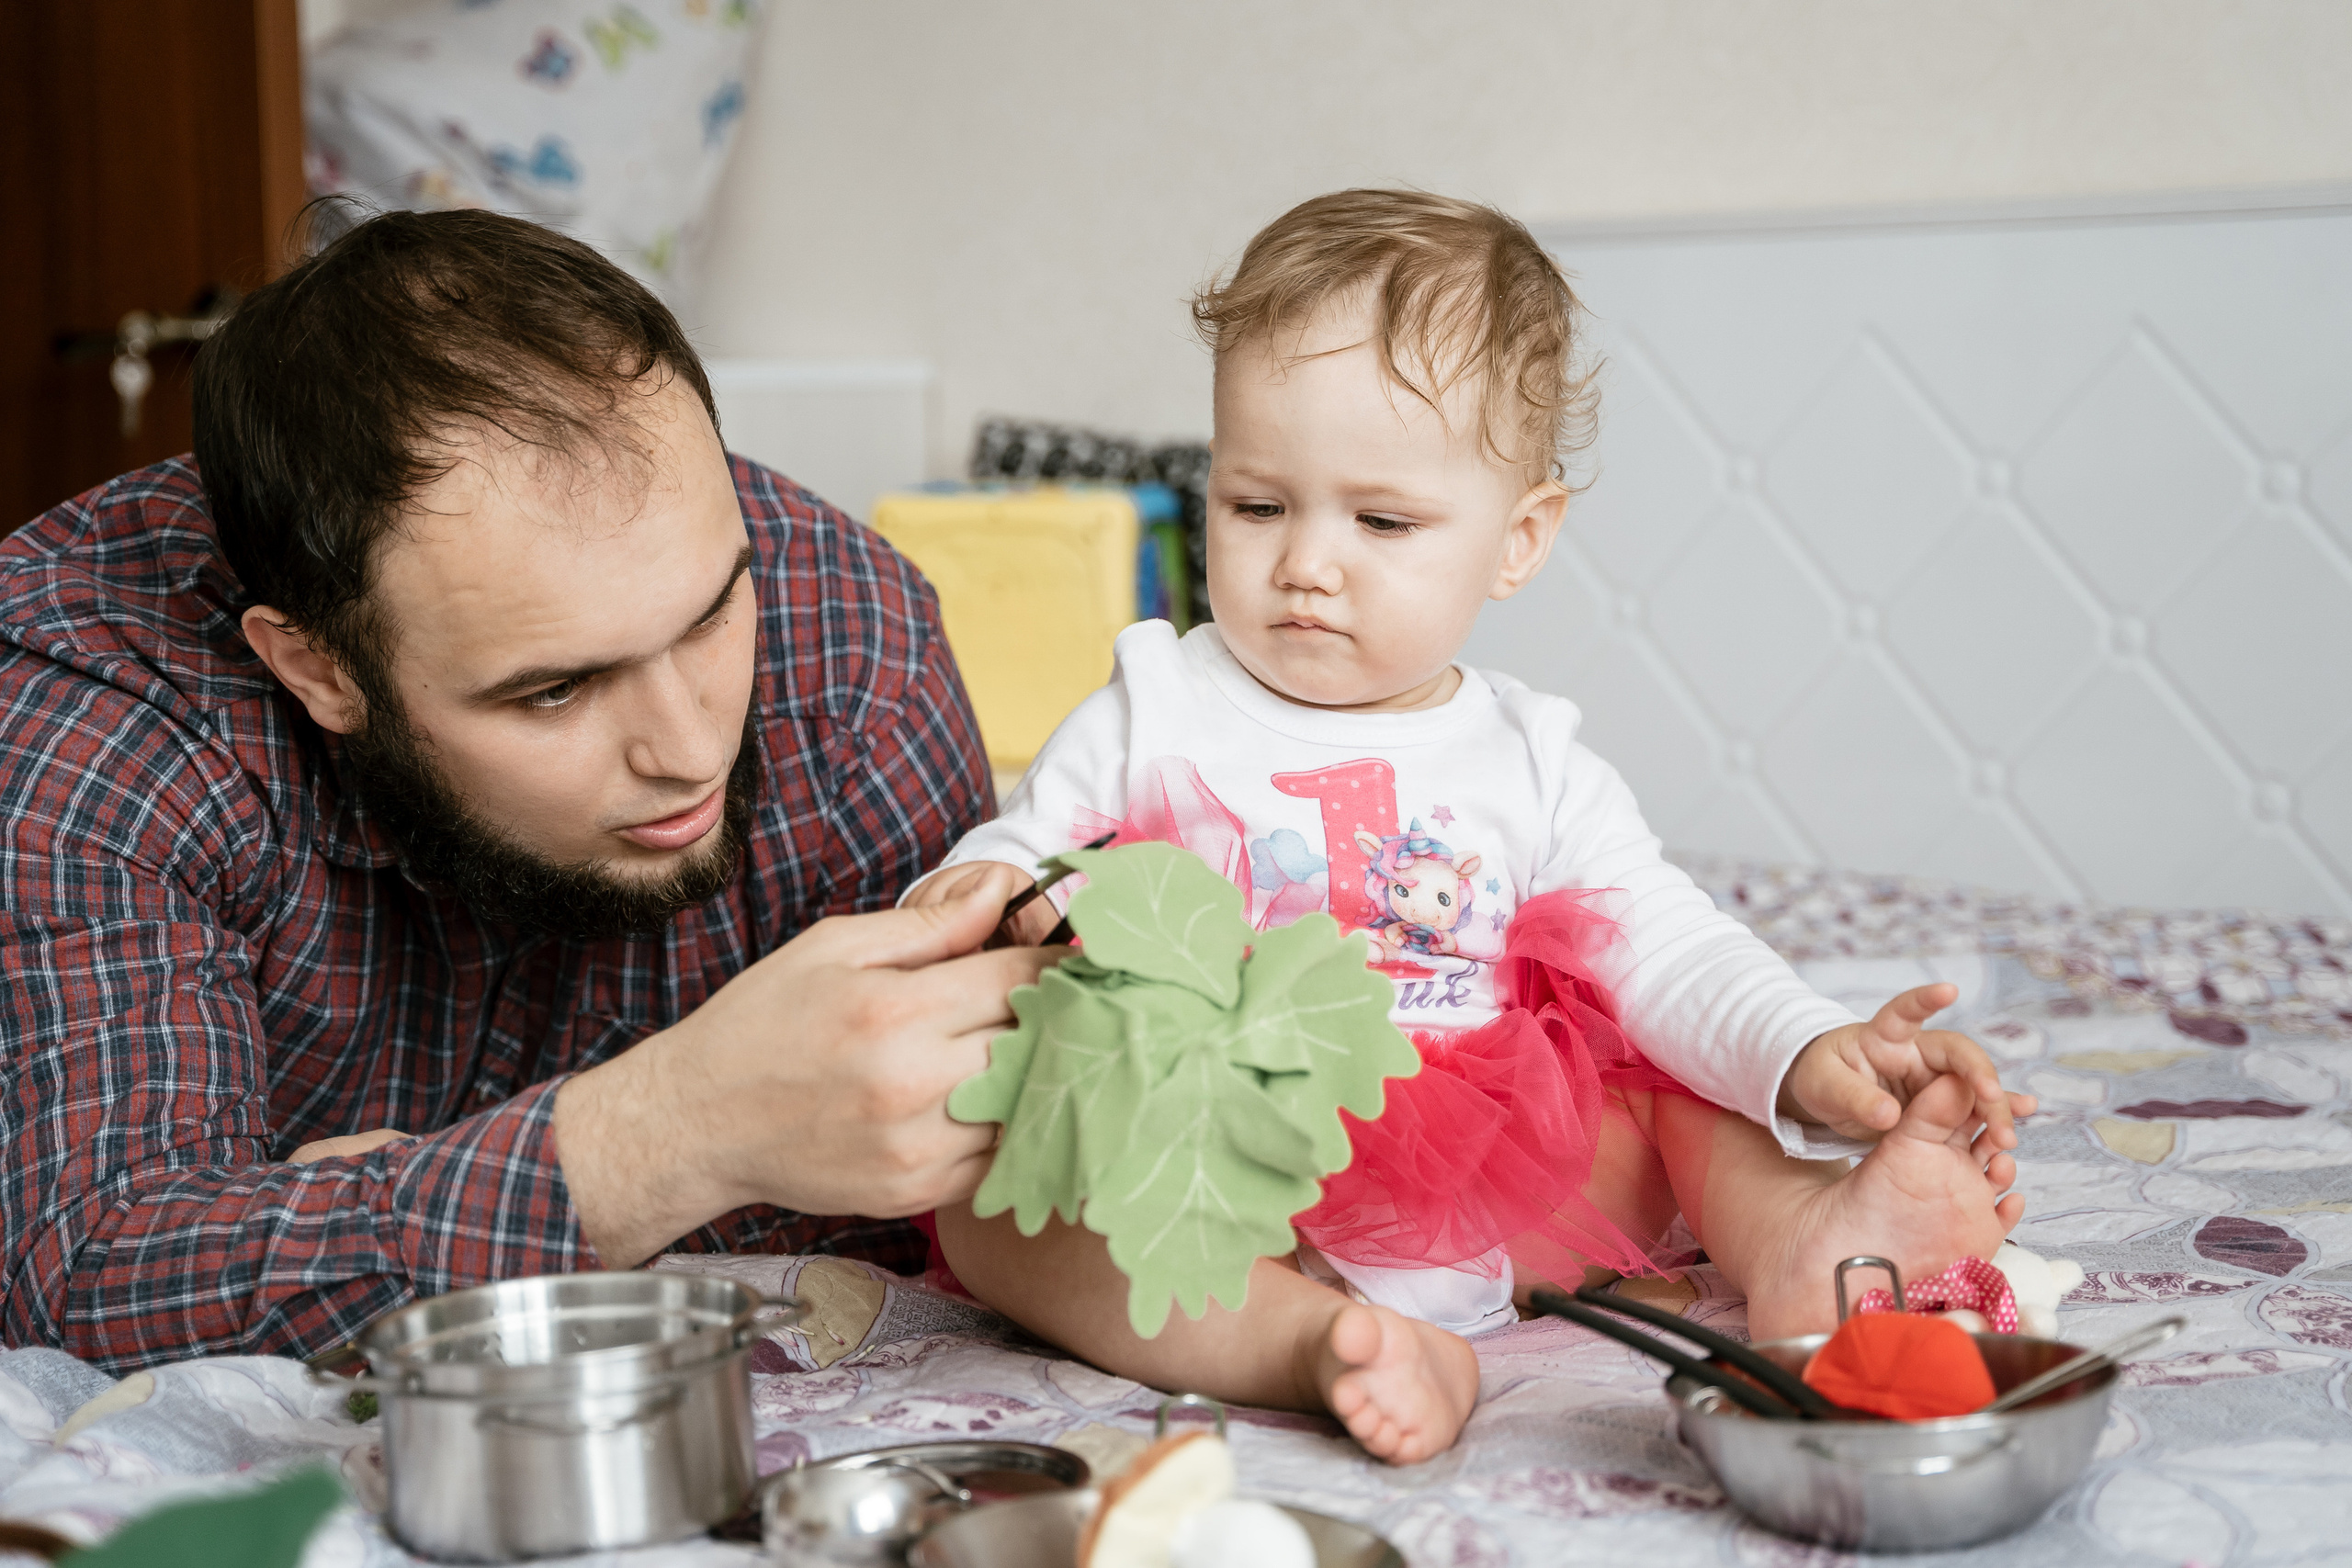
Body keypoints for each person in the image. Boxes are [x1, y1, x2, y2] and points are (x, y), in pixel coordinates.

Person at [908, 190, 2039, 1463]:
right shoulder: (1158, 698)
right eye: (1256, 504)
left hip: (1494, 1175)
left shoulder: (1529, 753)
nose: (1306, 564)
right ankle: (1306, 1339)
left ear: (1520, 539)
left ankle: (1793, 1235)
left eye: (1380, 521)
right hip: (1216, 1157)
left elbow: (1665, 940)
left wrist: (1802, 1045)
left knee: (1670, 1079)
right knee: (1005, 1216)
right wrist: (993, 896)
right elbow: (1015, 849)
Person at [0, 209, 1052, 1372]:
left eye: (710, 615)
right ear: (317, 666)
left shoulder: (852, 639)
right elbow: (89, 1272)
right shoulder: (84, 716)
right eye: (554, 690)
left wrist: (349, 1211)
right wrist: (673, 1131)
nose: (688, 748)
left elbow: (937, 1207)